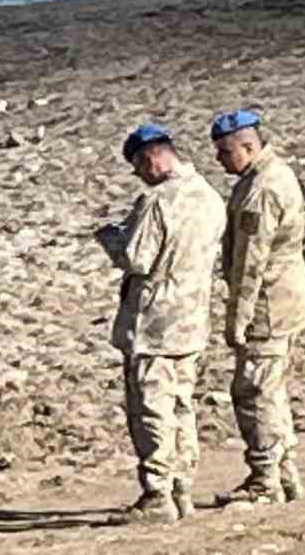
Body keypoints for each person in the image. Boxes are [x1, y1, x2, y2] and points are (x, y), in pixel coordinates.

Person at [95, 123, 227, 523]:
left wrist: (110, 239)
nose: (138, 175)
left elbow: (137, 258)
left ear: (151, 158)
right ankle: (182, 488)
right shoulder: (209, 196)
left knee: (152, 408)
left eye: (138, 166)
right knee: (182, 406)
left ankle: (157, 494)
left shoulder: (158, 201)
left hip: (155, 322)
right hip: (192, 319)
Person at [210, 108, 305, 505]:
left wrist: (237, 320)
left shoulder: (261, 190)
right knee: (271, 389)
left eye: (225, 151)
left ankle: (265, 479)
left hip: (269, 305)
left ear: (248, 146)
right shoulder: (272, 174)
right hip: (286, 298)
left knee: (254, 391)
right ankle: (284, 475)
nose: (220, 160)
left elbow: (250, 265)